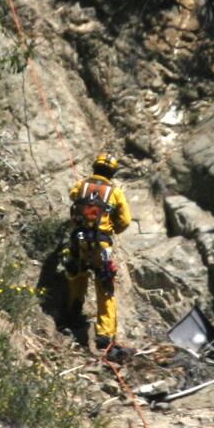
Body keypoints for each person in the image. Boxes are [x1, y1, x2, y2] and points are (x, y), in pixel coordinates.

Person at [64, 153, 133, 362]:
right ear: (112, 173)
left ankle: (73, 316)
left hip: (79, 239)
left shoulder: (81, 185)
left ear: (94, 167)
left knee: (78, 275)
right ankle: (105, 337)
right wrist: (111, 230)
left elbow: (73, 196)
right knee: (105, 286)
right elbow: (125, 220)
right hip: (101, 243)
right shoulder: (115, 192)